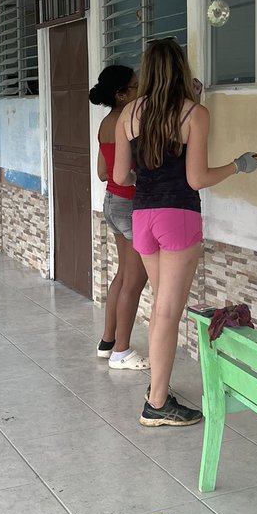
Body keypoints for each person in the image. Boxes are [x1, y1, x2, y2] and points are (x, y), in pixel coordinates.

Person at [114, 38, 257, 426]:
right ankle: (158, 403)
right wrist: (238, 165)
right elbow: (196, 178)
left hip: (142, 217)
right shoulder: (194, 115)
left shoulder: (128, 113)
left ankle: (157, 390)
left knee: (161, 310)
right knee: (168, 312)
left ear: (146, 71)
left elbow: (119, 176)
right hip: (177, 216)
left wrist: (148, 167)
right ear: (182, 69)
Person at [89, 65, 150, 371]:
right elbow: (122, 174)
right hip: (130, 204)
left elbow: (103, 173)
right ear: (121, 94)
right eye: (136, 86)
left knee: (123, 275)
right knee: (135, 279)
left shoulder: (104, 124)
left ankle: (107, 341)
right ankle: (122, 352)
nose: (141, 91)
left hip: (112, 203)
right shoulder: (129, 122)